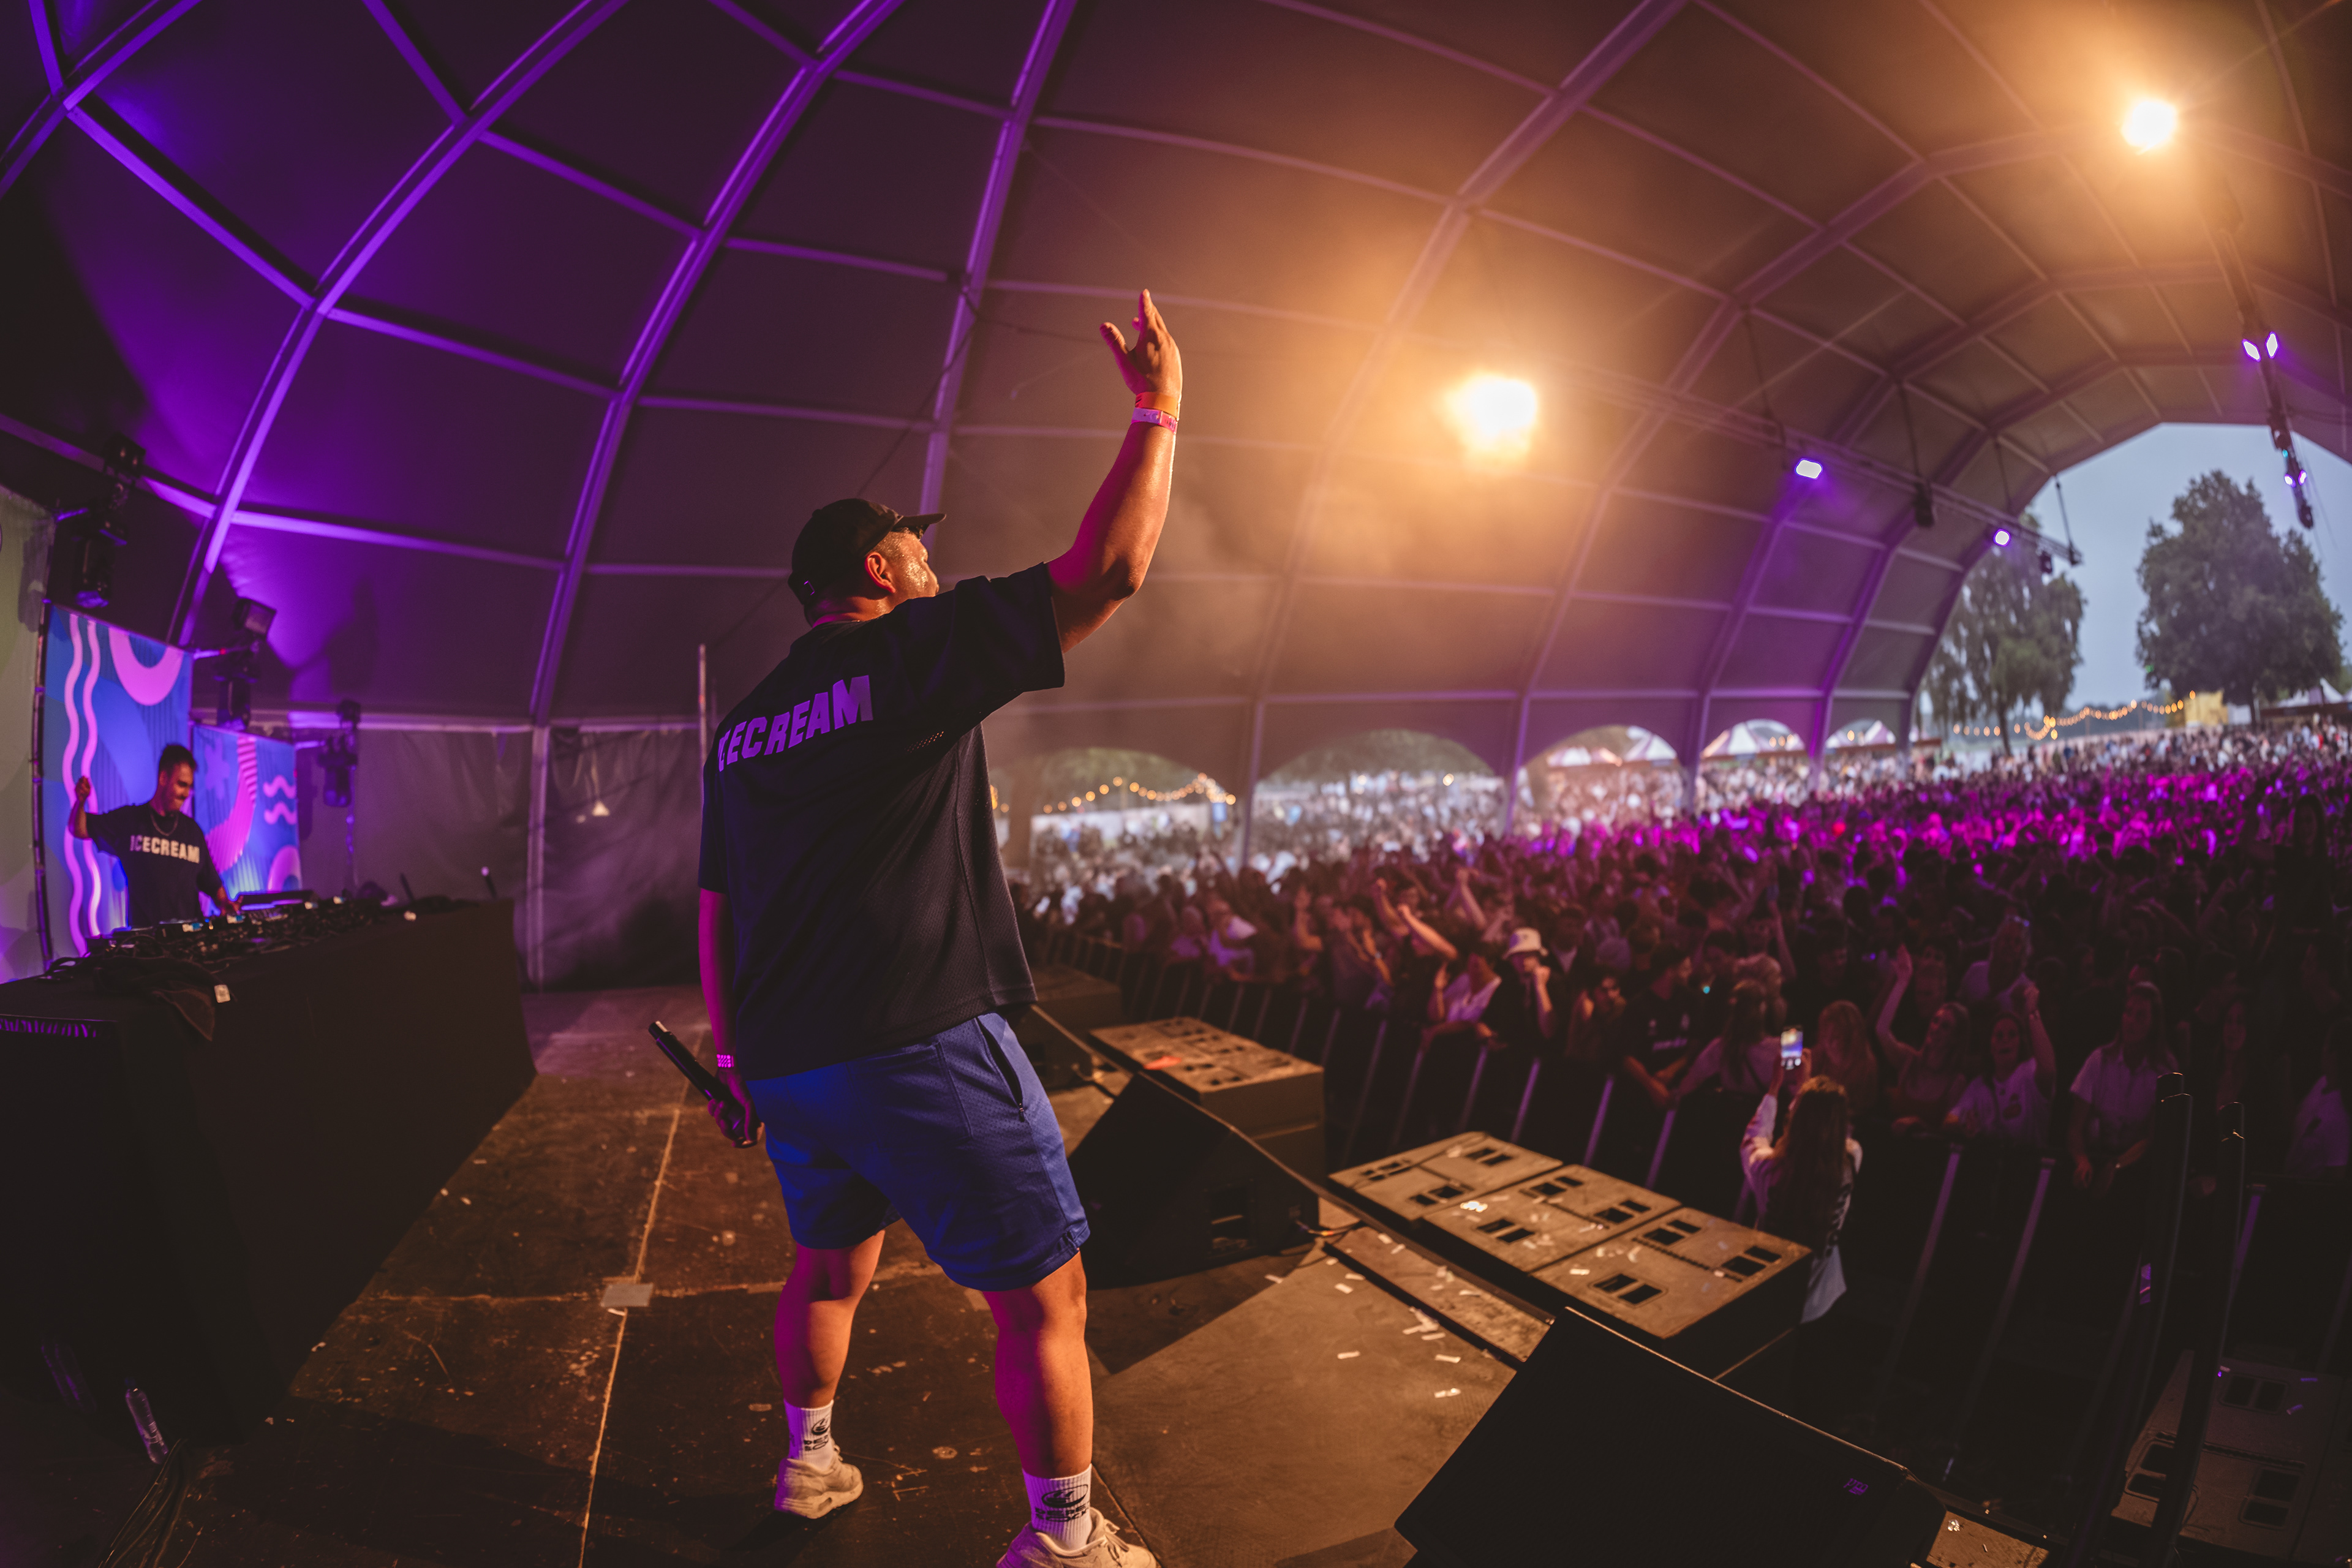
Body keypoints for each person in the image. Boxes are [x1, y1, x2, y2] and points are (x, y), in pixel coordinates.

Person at [697, 290, 1178, 1567]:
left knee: (827, 1268)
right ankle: (1065, 1543)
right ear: (878, 570)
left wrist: (737, 1059)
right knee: (1046, 1297)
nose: (931, 565)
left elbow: (717, 904)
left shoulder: (741, 730)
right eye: (915, 549)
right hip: (920, 1038)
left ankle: (808, 1464)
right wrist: (1157, 409)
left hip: (792, 1060)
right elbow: (1112, 571)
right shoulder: (910, 651)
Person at [70, 742, 239, 925]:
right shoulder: (130, 821)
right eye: (181, 785)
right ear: (164, 778)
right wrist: (80, 802)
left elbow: (214, 885)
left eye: (189, 787)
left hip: (191, 939)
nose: (186, 794)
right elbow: (79, 829)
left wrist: (225, 904)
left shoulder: (193, 832)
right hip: (147, 941)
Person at [1741, 1071, 1861, 1322]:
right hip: (1820, 1302)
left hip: (1768, 1293)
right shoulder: (1850, 1162)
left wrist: (1774, 1088)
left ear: (1794, 1119)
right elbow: (1831, 1137)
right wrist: (1807, 1091)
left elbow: (1754, 1138)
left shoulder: (1768, 1169)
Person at [2067, 981, 2177, 1194]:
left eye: (2140, 1016)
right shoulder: (2100, 1060)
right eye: (2128, 1012)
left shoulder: (2164, 1072)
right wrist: (2081, 1161)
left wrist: (2117, 1165)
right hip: (2095, 1158)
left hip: (2139, 1170)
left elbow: (2154, 1140)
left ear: (2154, 1023)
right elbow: (2075, 1128)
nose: (2130, 1021)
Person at [1945, 982, 2057, 1145]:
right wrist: (1962, 1127)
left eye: (2012, 1035)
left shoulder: (2029, 1072)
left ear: (2021, 1043)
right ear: (1991, 1047)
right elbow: (1951, 1119)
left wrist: (2033, 1012)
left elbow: (2048, 1070)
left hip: (2028, 1159)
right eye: (1999, 1035)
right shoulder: (1979, 1085)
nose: (2005, 1039)